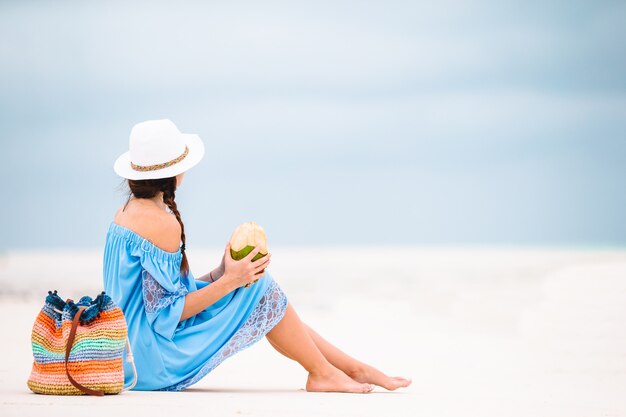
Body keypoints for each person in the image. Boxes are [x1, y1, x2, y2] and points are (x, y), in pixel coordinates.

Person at [103, 119, 412, 393]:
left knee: (258, 288)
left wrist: (220, 274)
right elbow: (165, 314)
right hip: (151, 361)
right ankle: (326, 372)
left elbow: (154, 301)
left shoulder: (124, 213)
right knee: (260, 288)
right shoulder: (163, 223)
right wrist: (230, 282)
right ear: (175, 172)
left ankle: (345, 369)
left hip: (125, 355)